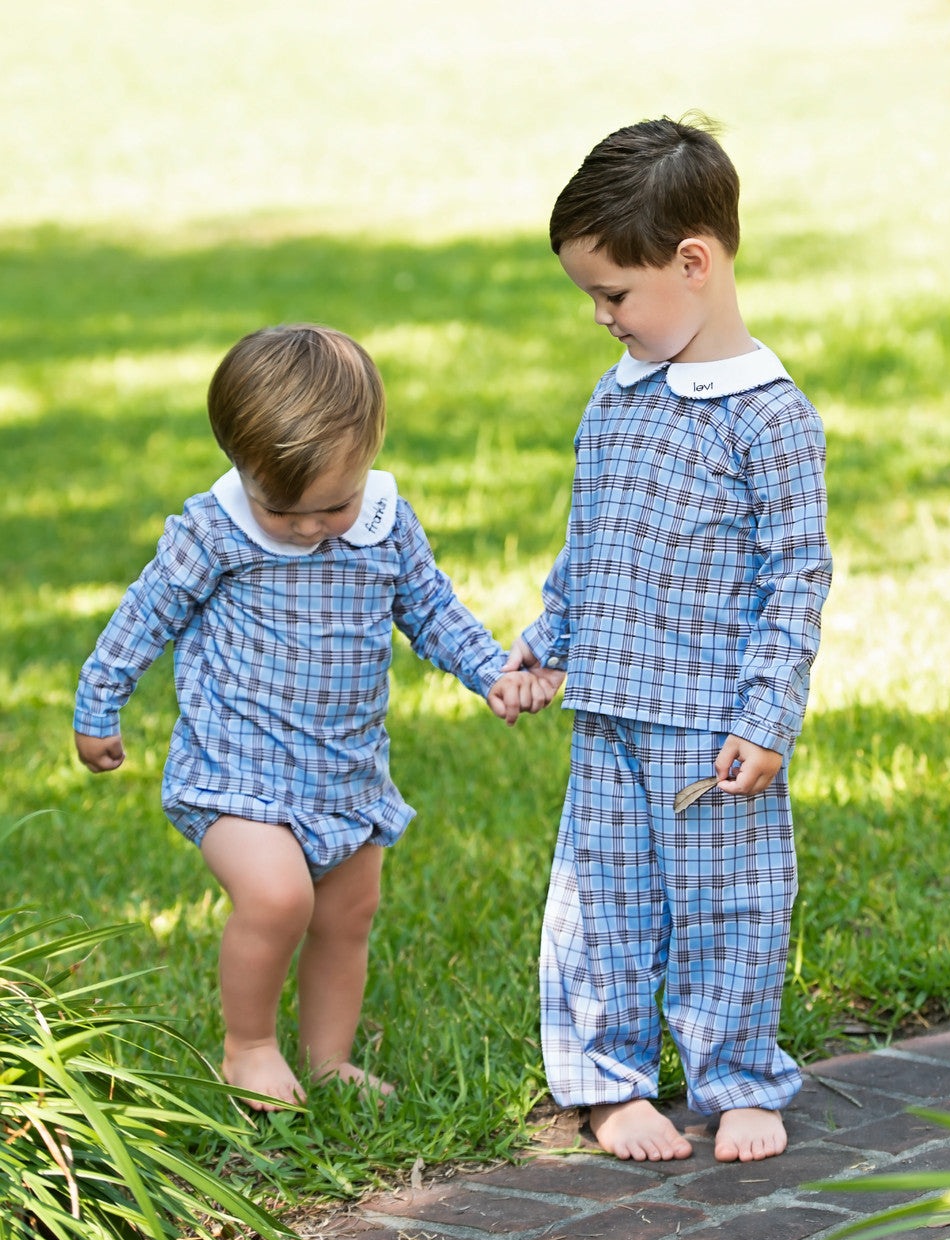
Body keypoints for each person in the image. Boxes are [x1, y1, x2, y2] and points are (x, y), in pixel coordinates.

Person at [74, 323, 548, 1110]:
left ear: (368, 457)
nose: (307, 528)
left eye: (332, 505)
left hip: (346, 774)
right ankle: (248, 1047)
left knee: (347, 913)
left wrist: (492, 671)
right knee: (279, 899)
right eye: (282, 508)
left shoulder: (383, 525)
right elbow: (141, 618)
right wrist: (99, 703)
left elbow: (432, 611)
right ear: (241, 466)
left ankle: (329, 1058)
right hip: (235, 772)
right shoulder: (216, 532)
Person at [505, 115, 832, 1163]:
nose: (600, 317)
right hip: (608, 707)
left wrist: (766, 715)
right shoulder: (617, 396)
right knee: (599, 904)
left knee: (728, 904)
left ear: (694, 262)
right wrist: (547, 644)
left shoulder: (768, 417)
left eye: (612, 293)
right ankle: (607, 1081)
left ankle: (736, 1074)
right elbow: (586, 542)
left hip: (709, 725)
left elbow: (795, 578)